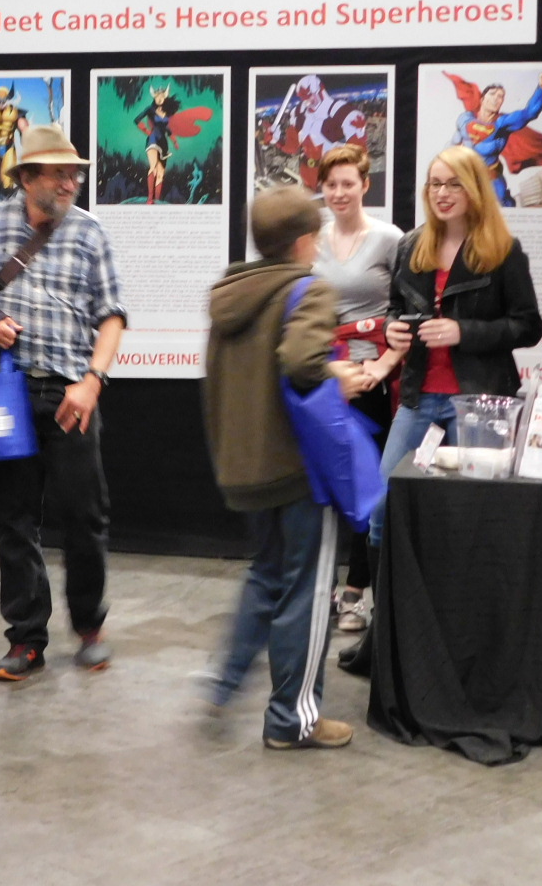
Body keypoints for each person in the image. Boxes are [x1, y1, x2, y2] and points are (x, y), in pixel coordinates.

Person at [0, 124, 127, 681]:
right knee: (15, 520)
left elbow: (112, 315)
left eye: (74, 174)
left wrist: (92, 381)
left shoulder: (90, 232)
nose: (70, 183)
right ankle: (26, 638)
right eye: (58, 174)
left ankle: (90, 626)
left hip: (72, 391)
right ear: (26, 178)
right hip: (8, 392)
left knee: (85, 516)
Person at [202, 186, 361, 750]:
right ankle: (293, 720)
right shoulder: (308, 289)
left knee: (266, 576)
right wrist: (340, 376)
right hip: (299, 471)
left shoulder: (231, 292)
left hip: (246, 468)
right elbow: (300, 361)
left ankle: (223, 683)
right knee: (309, 593)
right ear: (303, 241)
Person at [372, 144, 542, 547]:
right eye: (434, 184)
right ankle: (390, 589)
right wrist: (391, 329)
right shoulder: (411, 246)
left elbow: (528, 327)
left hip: (479, 402)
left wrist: (463, 332)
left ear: (474, 189)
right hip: (419, 398)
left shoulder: (503, 250)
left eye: (453, 184)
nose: (442, 193)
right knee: (382, 506)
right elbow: (394, 308)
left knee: (474, 514)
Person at [310, 144, 403, 634]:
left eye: (348, 183)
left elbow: (407, 309)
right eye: (331, 184)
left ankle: (356, 592)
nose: (339, 192)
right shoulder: (313, 241)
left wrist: (383, 366)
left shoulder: (391, 240)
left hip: (371, 378)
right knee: (324, 487)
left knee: (367, 488)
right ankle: (322, 587)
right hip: (325, 377)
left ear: (366, 185)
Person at [446, 69, 542, 206]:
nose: (496, 98)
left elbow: (529, 113)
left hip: (491, 180)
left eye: (500, 96)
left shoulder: (502, 124)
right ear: (482, 99)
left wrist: (541, 88)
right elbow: (452, 145)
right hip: (465, 178)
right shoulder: (465, 119)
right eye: (492, 94)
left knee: (504, 207)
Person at [134, 78, 179, 204]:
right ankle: (150, 198)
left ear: (165, 97)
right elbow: (137, 120)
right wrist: (146, 131)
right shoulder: (150, 109)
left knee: (161, 173)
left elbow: (166, 128)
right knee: (153, 166)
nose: (159, 99)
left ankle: (157, 200)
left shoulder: (166, 112)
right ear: (154, 97)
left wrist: (174, 140)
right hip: (153, 140)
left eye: (162, 96)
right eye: (157, 96)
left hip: (164, 142)